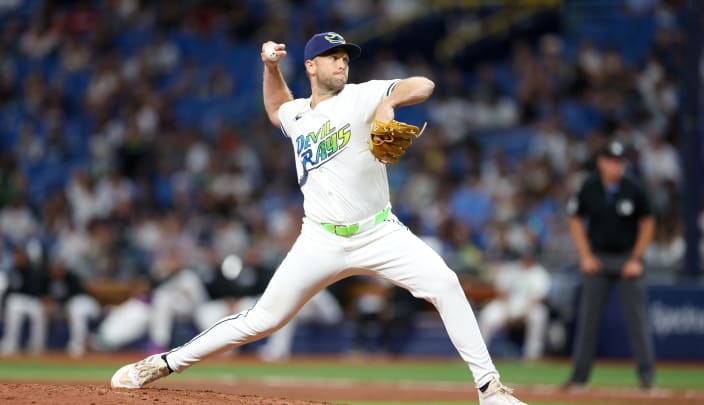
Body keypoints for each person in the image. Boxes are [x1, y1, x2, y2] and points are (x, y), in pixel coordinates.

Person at [110, 31, 526, 405]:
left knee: (445, 283)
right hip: (320, 240)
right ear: (310, 66)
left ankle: (490, 388)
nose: (341, 62)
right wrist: (271, 66)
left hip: (379, 231)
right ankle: (163, 363)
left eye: (345, 56)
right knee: (262, 319)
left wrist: (389, 101)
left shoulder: (363, 94)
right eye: (331, 56)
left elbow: (424, 84)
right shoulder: (298, 115)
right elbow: (276, 108)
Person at [564, 139, 656, 389]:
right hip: (598, 258)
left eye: (620, 161)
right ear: (601, 162)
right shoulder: (590, 187)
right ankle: (578, 378)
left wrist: (636, 258)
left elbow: (648, 223)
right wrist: (585, 256)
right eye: (612, 161)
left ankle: (647, 378)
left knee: (637, 320)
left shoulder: (633, 188)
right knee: (588, 321)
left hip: (628, 258)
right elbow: (574, 219)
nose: (617, 166)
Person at [478, 249, 551, 360]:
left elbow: (540, 298)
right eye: (525, 256)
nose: (526, 259)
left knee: (539, 314)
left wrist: (525, 313)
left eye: (529, 256)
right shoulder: (511, 269)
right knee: (487, 315)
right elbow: (502, 292)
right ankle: (478, 355)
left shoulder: (539, 273)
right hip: (508, 306)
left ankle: (532, 356)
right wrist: (507, 312)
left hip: (529, 307)